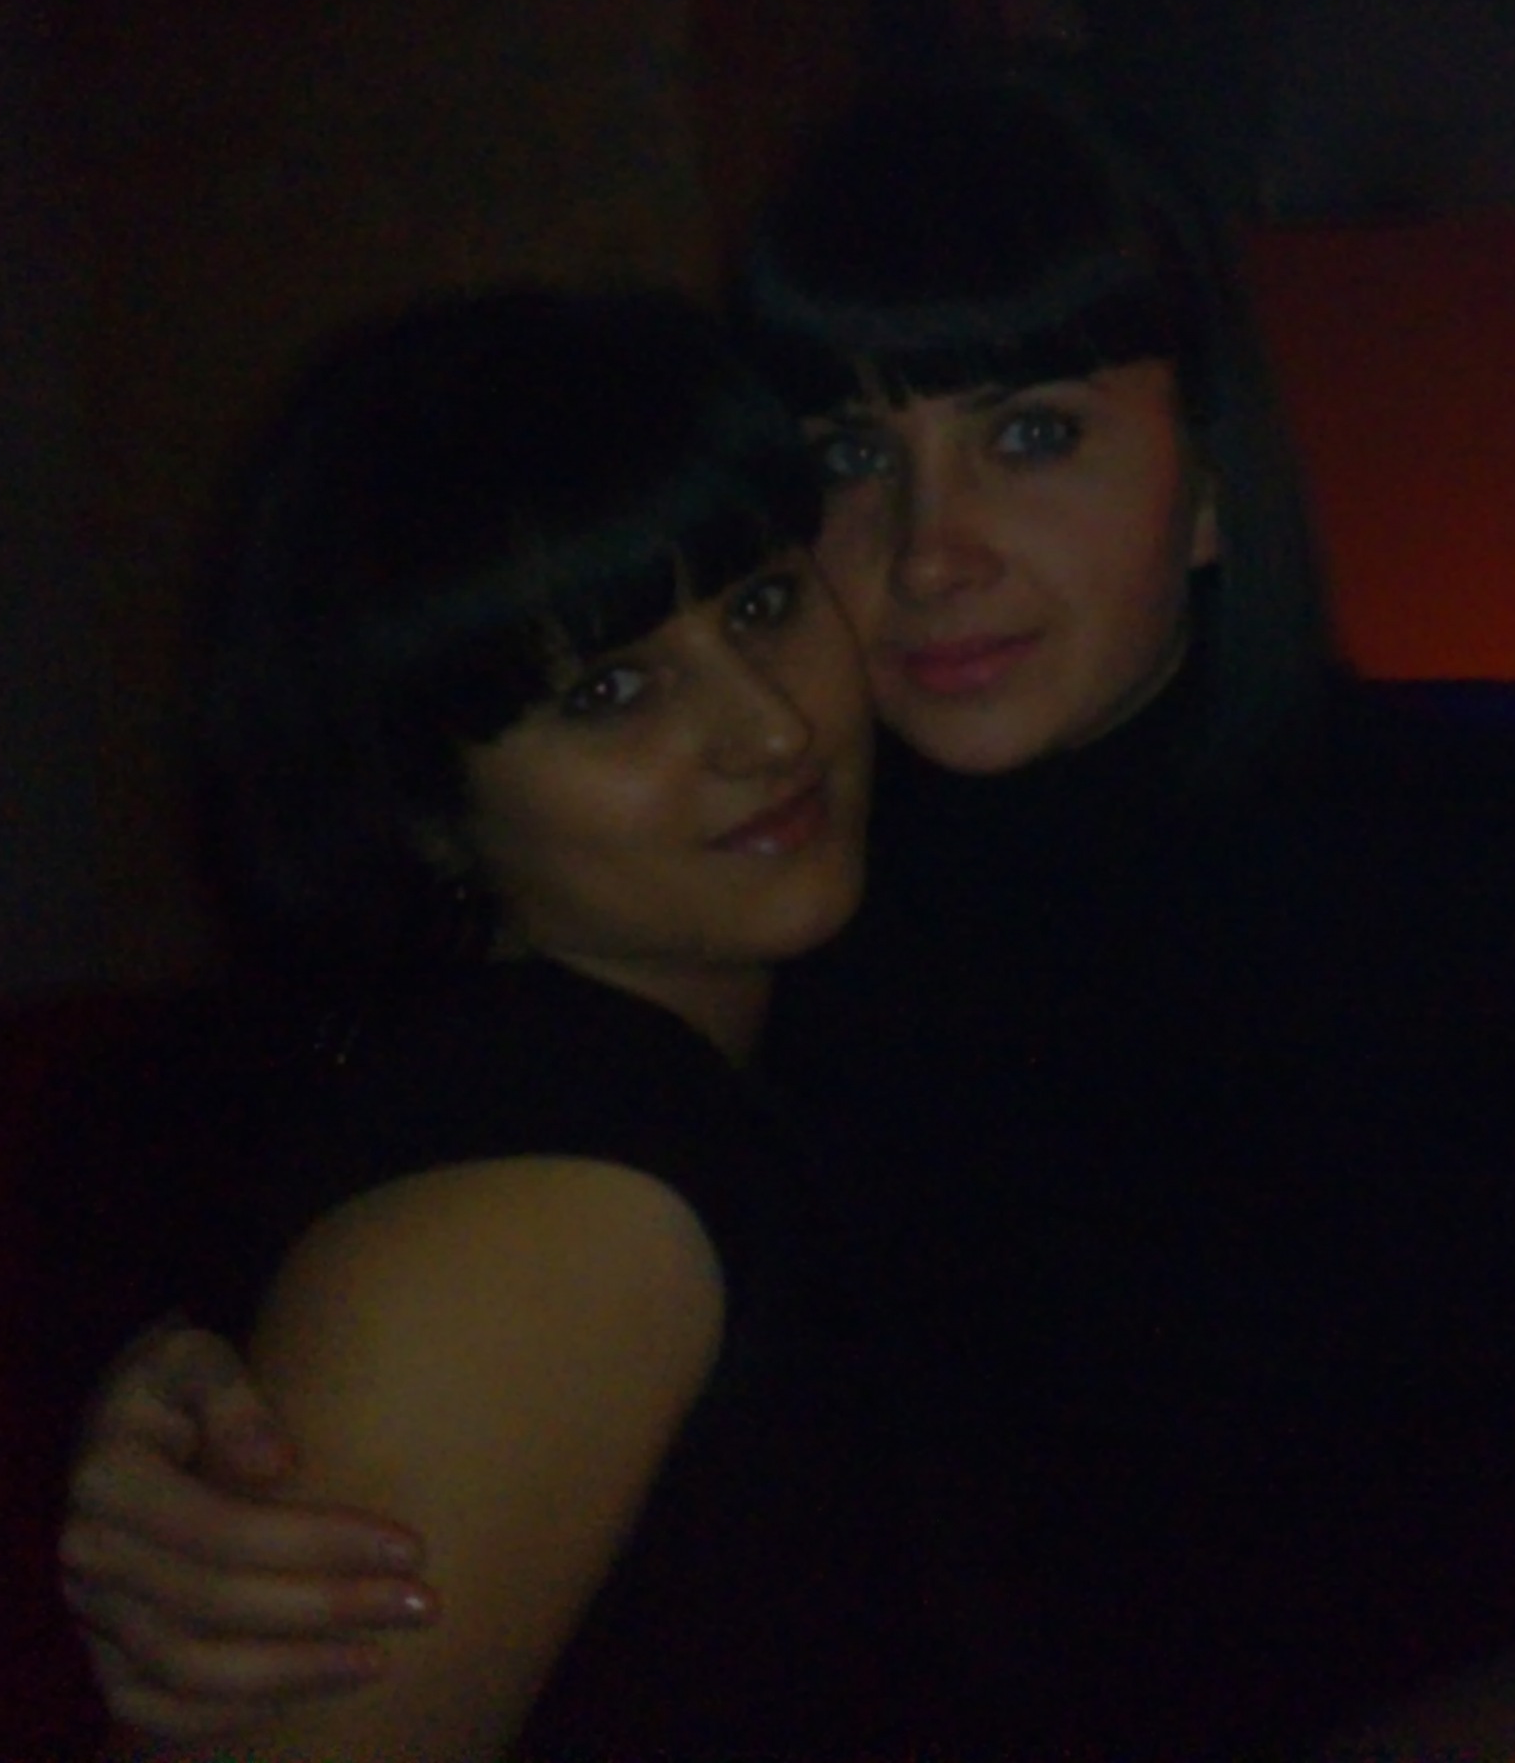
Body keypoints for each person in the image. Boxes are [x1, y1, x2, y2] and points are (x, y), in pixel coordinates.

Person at [61, 70, 1515, 1756]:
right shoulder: (781, 862)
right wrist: (163, 1390)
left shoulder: (1507, 857)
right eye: (853, 453)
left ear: (1205, 482)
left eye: (1030, 434)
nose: (931, 550)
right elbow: (274, 1070)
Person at [54, 282, 926, 1759]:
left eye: (764, 607)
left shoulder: (780, 1006)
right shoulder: (560, 1185)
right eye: (613, 691)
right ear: (428, 813)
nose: (768, 729)